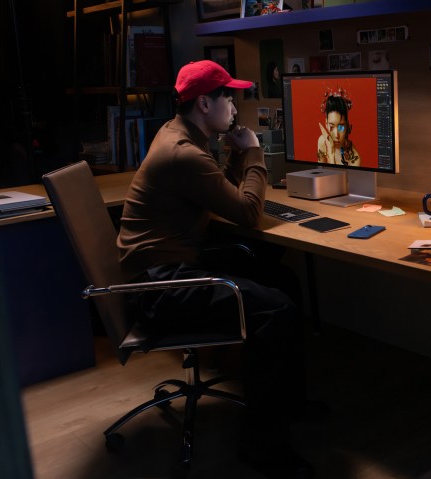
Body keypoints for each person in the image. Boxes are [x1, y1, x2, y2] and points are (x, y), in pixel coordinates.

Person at [117, 60, 316, 478]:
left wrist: (233, 158)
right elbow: (248, 213)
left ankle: (291, 402)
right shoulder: (184, 152)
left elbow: (214, 194)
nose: (234, 104)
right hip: (160, 286)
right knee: (275, 309)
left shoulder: (179, 135)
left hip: (165, 268)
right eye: (228, 96)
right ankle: (263, 447)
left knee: (282, 279)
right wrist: (255, 151)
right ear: (204, 103)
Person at [317, 87, 361, 166]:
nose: (336, 135)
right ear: (326, 124)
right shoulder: (322, 142)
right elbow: (321, 173)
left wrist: (331, 157)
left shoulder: (354, 158)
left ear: (347, 125)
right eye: (331, 127)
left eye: (341, 127)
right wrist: (330, 152)